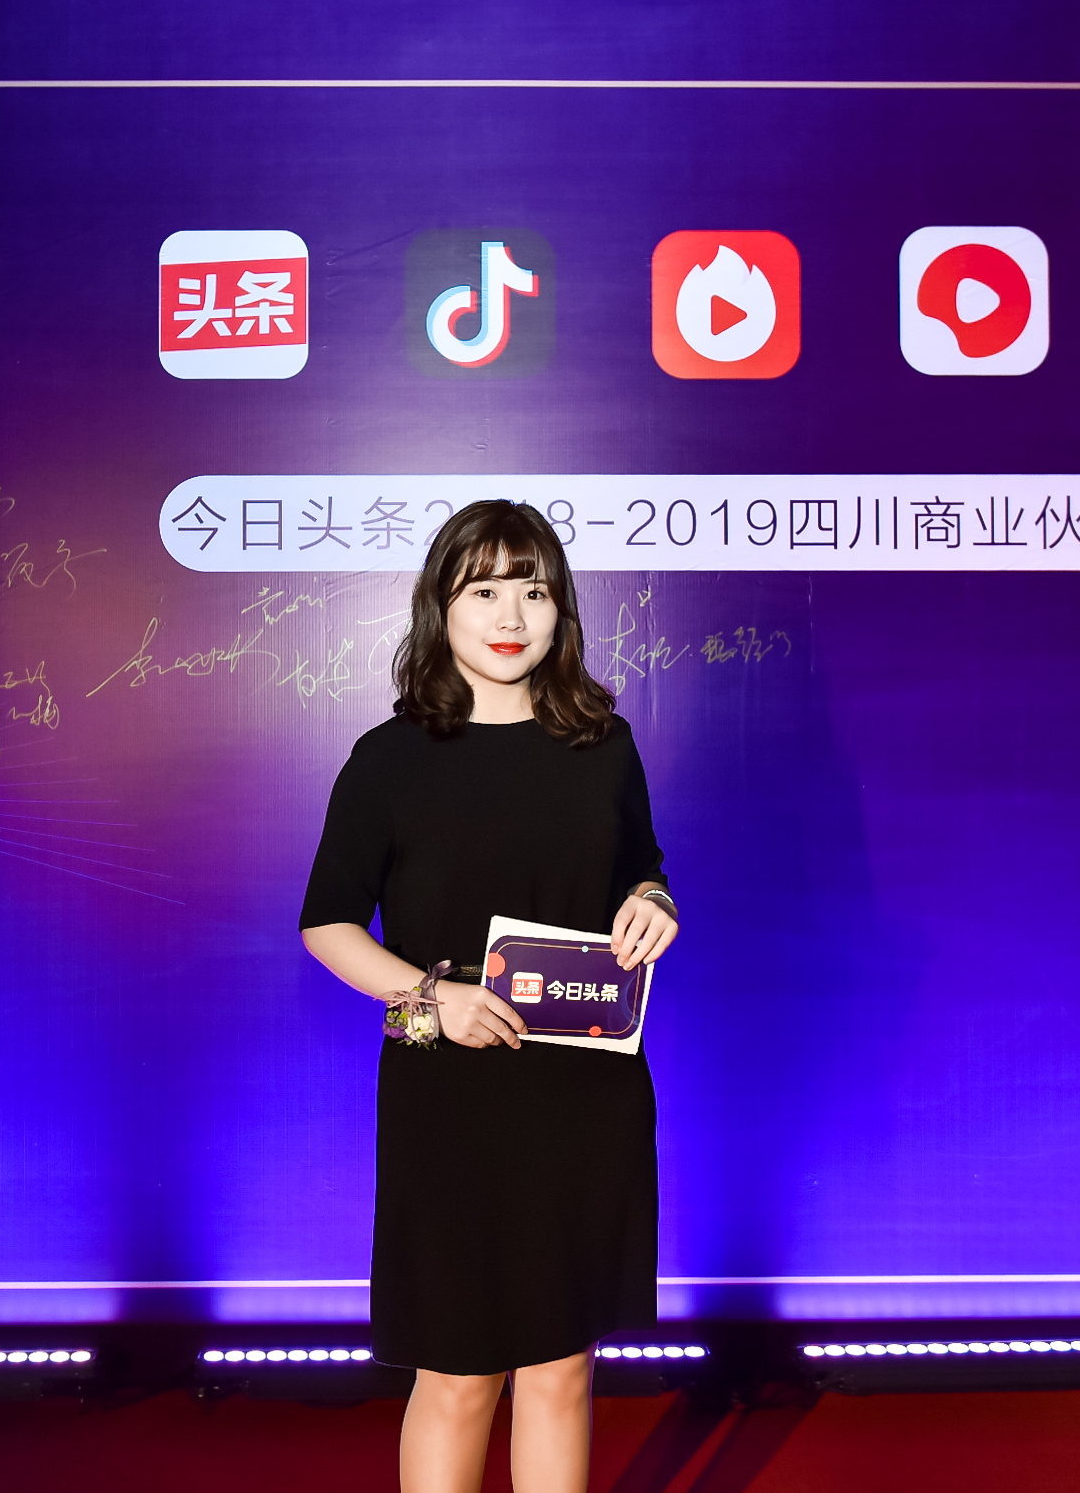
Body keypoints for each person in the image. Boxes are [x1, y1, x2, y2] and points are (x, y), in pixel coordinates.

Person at [300, 499, 681, 1493]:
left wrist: (650, 902)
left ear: (561, 609)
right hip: (448, 1089)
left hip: (585, 1087)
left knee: (561, 1367)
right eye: (483, 590)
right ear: (441, 605)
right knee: (459, 1371)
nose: (510, 614)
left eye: (533, 590)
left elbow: (638, 869)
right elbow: (327, 924)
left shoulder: (603, 742)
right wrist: (431, 996)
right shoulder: (388, 758)